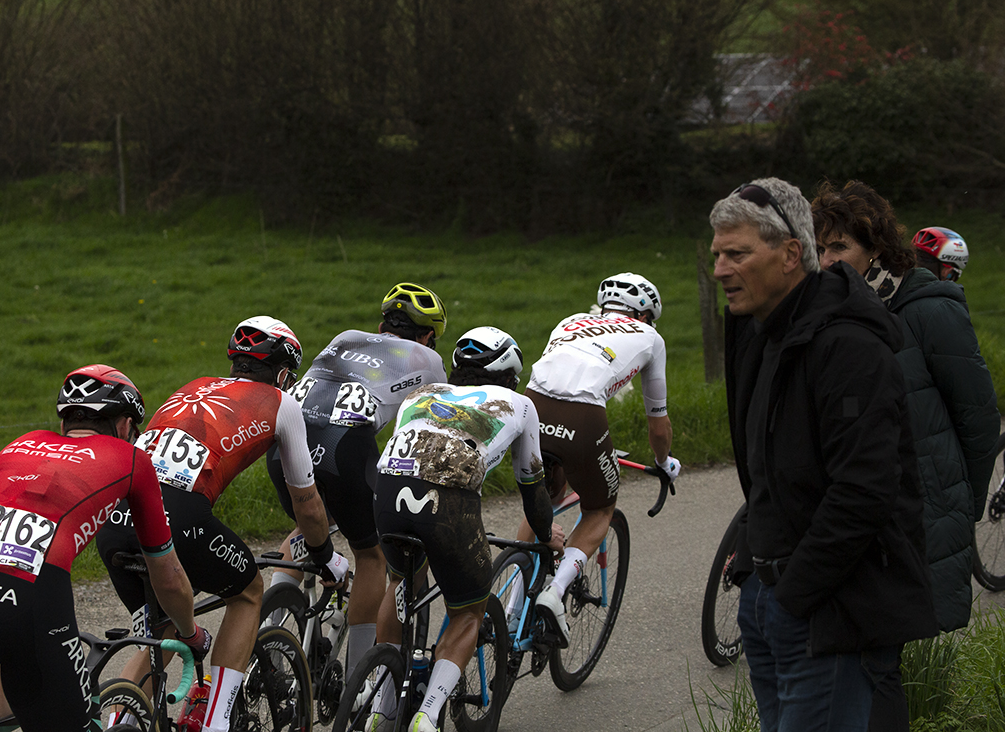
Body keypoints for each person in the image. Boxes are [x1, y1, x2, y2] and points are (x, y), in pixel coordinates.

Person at [710, 178, 938, 730]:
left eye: (737, 254)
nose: (720, 270)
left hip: (828, 611)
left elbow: (864, 490)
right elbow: (765, 466)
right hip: (768, 599)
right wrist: (753, 573)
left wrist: (793, 597)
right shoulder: (756, 330)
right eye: (717, 254)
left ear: (791, 254)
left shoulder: (847, 344)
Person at [97, 316, 347, 732]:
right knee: (248, 592)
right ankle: (216, 720)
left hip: (115, 520)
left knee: (161, 632)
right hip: (174, 517)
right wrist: (324, 555)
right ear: (285, 371)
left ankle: (117, 720)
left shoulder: (193, 385)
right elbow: (306, 501)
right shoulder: (282, 402)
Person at [812, 181, 998, 732]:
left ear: (875, 249)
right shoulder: (826, 313)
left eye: (839, 247)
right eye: (819, 248)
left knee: (875, 665)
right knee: (838, 664)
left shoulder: (926, 308)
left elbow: (979, 421)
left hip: (909, 516)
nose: (827, 261)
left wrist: (962, 509)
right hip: (845, 517)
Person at [0, 365, 207, 732]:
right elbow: (168, 576)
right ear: (124, 425)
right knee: (71, 716)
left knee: (20, 658)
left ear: (65, 421)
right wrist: (189, 633)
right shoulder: (133, 460)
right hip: (25, 600)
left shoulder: (20, 443)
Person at [369, 326, 564, 732]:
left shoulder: (421, 394)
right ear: (510, 375)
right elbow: (533, 487)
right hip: (448, 502)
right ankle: (429, 714)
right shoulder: (520, 404)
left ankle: (380, 709)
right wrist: (546, 535)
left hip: (387, 491)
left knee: (401, 582)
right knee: (470, 610)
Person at [266, 282, 448, 672]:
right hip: (342, 447)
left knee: (308, 521)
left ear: (382, 325)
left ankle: (269, 628)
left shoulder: (346, 337)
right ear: (428, 335)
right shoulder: (428, 361)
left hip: (284, 441)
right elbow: (433, 431)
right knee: (372, 554)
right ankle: (358, 672)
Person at [522, 272, 680, 643]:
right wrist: (663, 463)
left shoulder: (570, 321)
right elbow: (658, 427)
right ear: (644, 315)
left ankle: (513, 605)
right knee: (599, 508)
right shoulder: (651, 338)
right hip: (582, 417)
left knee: (540, 494)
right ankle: (554, 593)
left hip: (530, 408)